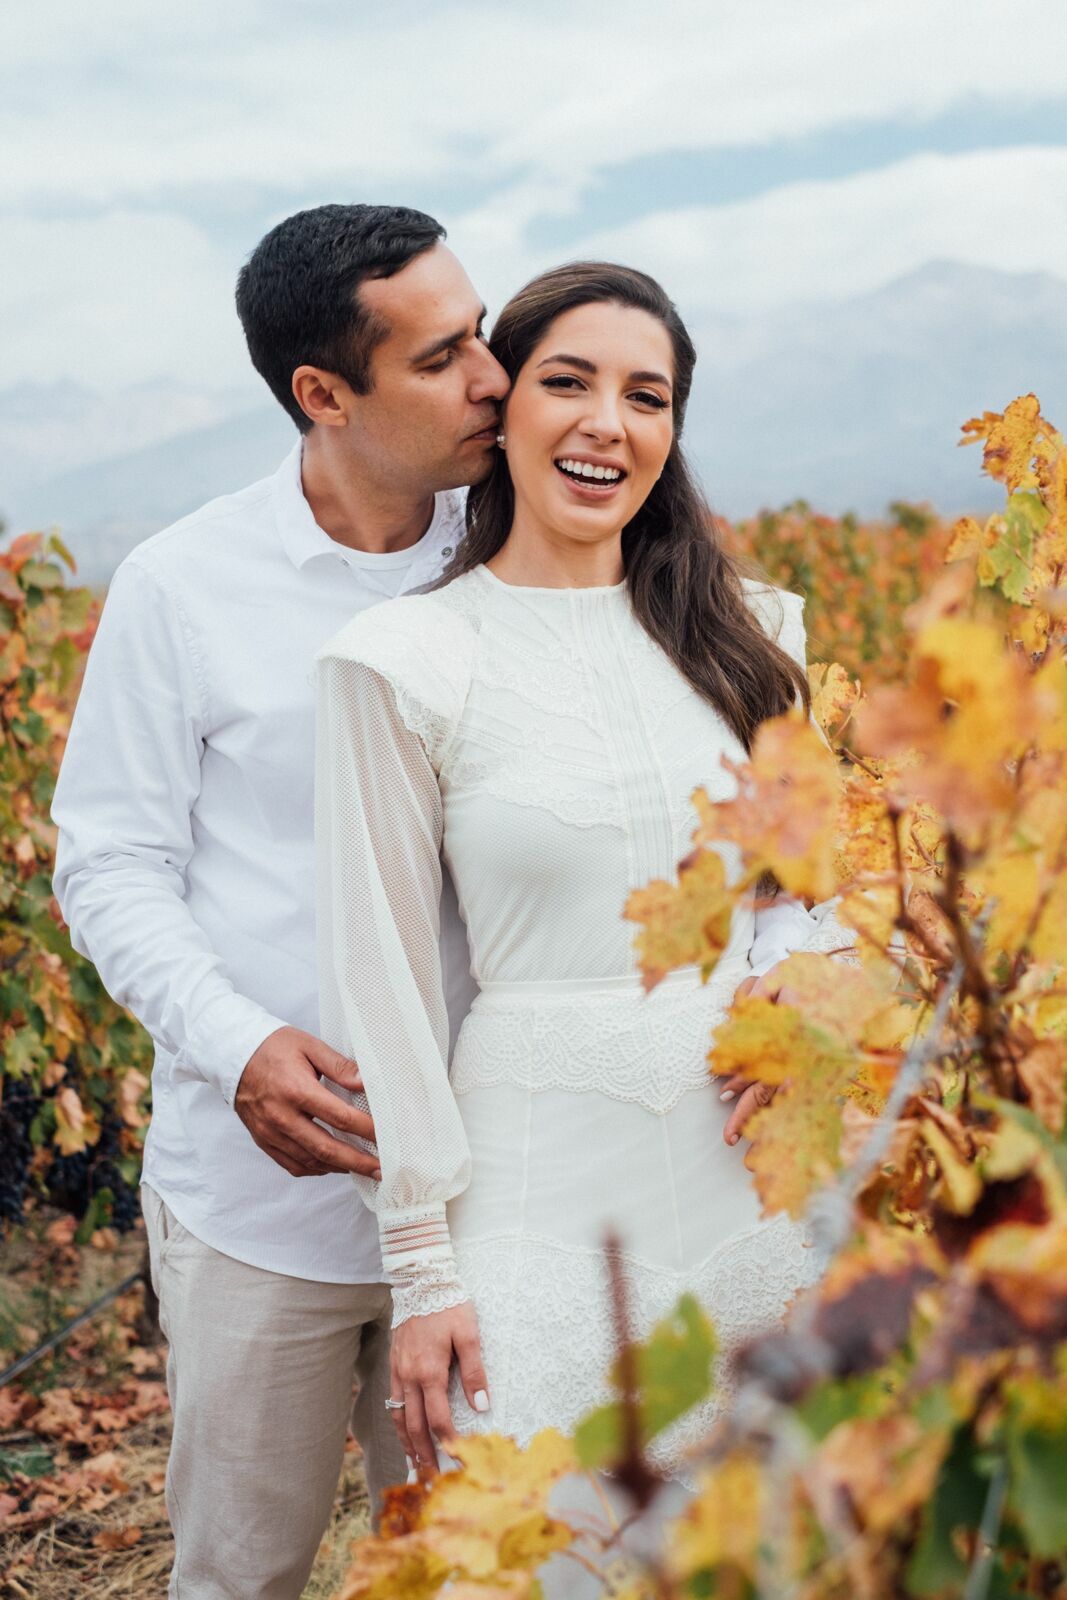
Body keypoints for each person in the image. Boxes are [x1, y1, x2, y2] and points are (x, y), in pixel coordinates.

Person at [314, 259, 856, 1511]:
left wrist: (804, 1011)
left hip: (754, 1175)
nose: (608, 421)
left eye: (647, 395)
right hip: (532, 1184)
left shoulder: (758, 635)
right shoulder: (401, 660)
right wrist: (420, 1269)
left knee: (772, 1547)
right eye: (567, 382)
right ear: (502, 407)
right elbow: (381, 975)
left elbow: (816, 891)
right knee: (539, 1541)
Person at [51, 203, 509, 1600]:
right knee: (240, 1571)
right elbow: (109, 861)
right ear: (323, 395)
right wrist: (237, 1043)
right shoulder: (184, 588)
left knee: (471, 1570)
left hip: (497, 1192)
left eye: (481, 333)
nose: (492, 377)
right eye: (441, 357)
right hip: (263, 1209)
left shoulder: (524, 559)